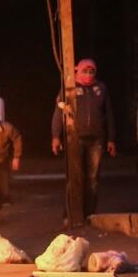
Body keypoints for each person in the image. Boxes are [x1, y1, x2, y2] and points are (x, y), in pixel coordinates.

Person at [50, 58, 116, 221]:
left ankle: (89, 214)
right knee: (75, 177)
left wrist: (111, 139)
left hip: (96, 139)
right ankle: (70, 213)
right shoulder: (70, 88)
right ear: (77, 71)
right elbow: (59, 112)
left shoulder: (100, 88)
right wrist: (56, 136)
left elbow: (108, 113)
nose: (88, 74)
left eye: (91, 71)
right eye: (85, 71)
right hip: (75, 138)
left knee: (92, 179)